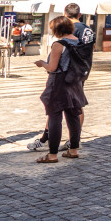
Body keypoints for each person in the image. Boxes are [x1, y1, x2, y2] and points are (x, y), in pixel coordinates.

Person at [34, 16, 87, 163]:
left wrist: (42, 63)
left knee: (55, 116)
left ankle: (52, 155)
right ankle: (73, 150)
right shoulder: (79, 42)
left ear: (56, 29)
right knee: (73, 116)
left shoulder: (59, 44)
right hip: (75, 82)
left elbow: (52, 67)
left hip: (59, 83)